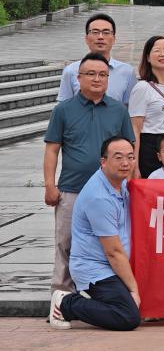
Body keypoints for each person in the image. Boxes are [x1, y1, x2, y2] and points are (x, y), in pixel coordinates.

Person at [43, 53, 135, 294]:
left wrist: (129, 185)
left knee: (113, 243)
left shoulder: (118, 110)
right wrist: (50, 185)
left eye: (103, 75)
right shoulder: (63, 110)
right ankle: (61, 297)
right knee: (65, 244)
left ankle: (105, 296)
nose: (97, 79)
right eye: (91, 74)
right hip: (72, 189)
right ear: (79, 77)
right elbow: (52, 150)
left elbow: (129, 149)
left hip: (111, 192)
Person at [48, 136, 141, 332]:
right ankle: (65, 304)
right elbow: (113, 252)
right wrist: (133, 289)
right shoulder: (99, 197)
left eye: (130, 157)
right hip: (96, 269)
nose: (126, 163)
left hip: (112, 265)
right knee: (128, 316)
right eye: (118, 157)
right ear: (103, 161)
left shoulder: (120, 183)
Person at [128, 36, 164, 179]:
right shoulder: (142, 87)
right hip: (151, 149)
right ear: (148, 57)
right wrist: (135, 165)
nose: (163, 54)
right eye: (157, 50)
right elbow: (135, 129)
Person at [56, 14, 136, 106]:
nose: (100, 37)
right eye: (95, 32)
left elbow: (129, 108)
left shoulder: (127, 72)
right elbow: (64, 107)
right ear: (86, 38)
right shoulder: (71, 71)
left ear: (114, 39)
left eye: (106, 32)